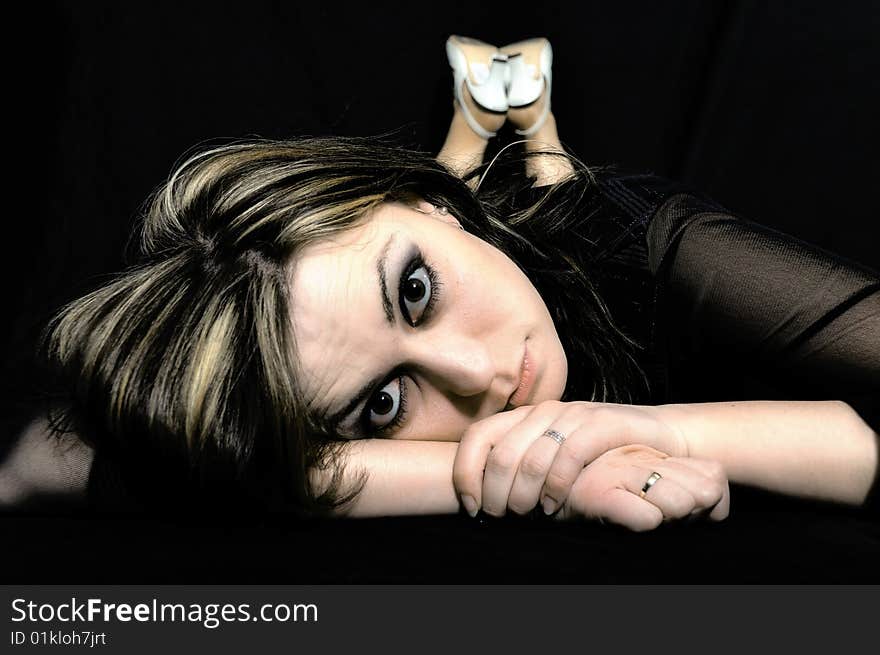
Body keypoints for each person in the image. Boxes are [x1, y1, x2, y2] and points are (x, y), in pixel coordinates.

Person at [3, 35, 878, 530]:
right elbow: (270, 470)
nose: (475, 375)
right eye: (384, 401)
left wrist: (625, 431)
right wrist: (560, 468)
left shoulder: (649, 243)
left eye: (415, 291)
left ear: (432, 206)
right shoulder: (317, 425)